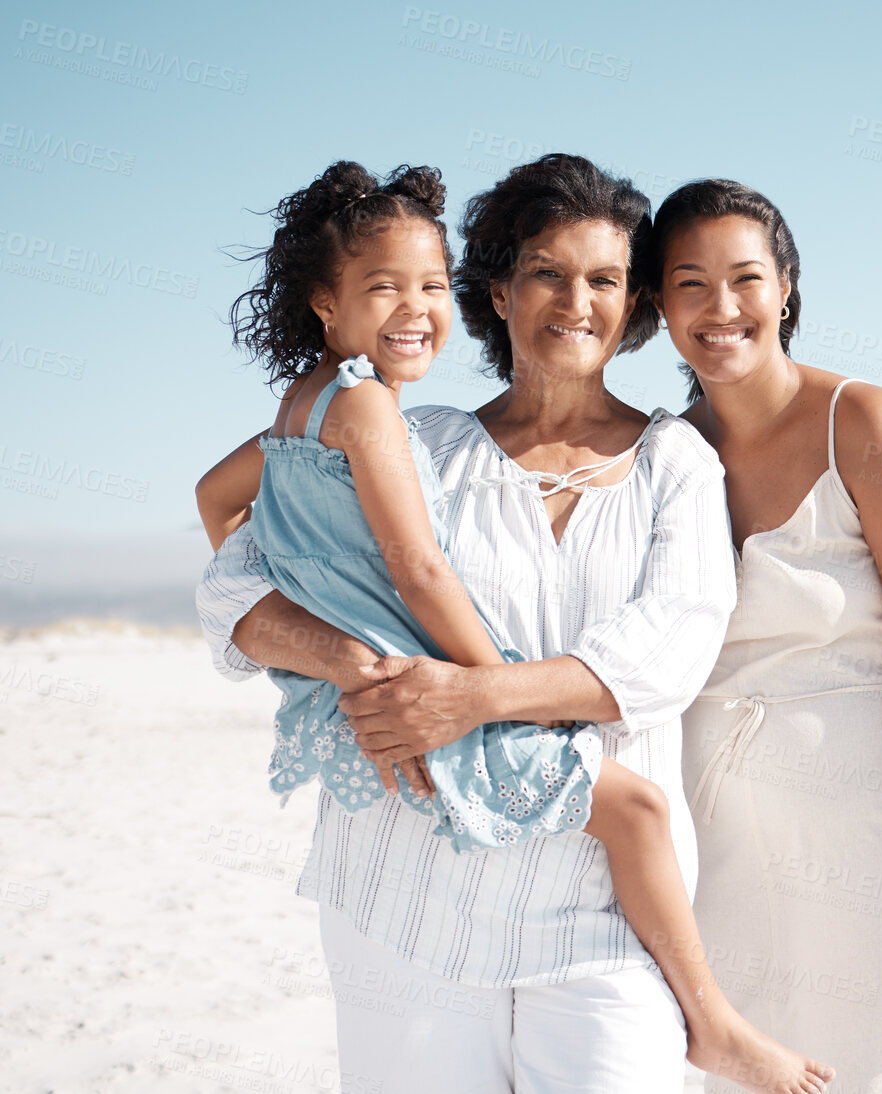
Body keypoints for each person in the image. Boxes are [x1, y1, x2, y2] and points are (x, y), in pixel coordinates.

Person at [195, 155, 825, 1092]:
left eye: (604, 279)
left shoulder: (675, 463)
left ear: (633, 301)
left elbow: (667, 653)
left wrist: (469, 697)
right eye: (546, 273)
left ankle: (708, 1022)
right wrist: (350, 663)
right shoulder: (416, 441)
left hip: (604, 912)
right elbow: (237, 580)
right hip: (404, 890)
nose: (576, 300)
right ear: (496, 290)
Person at [640, 179, 882, 1092]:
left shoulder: (867, 427)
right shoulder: (663, 458)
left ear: (786, 288)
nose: (721, 309)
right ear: (657, 305)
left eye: (745, 278)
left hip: (869, 862)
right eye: (689, 283)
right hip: (712, 855)